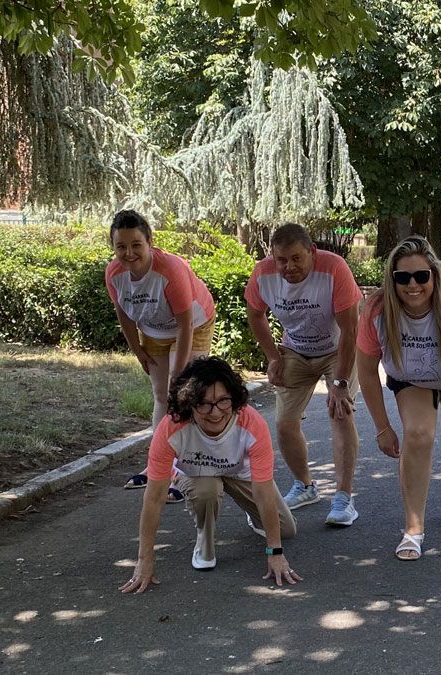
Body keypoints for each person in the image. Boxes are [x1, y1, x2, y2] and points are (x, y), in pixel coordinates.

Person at [356, 236, 441, 561]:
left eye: (421, 276)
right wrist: (382, 427)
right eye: (402, 277)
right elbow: (366, 371)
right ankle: (413, 529)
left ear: (434, 274)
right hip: (412, 380)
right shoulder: (376, 309)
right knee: (417, 436)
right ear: (392, 280)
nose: (412, 285)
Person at [119, 356, 299, 592]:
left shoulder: (252, 423)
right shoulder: (171, 427)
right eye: (204, 404)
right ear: (188, 404)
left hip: (239, 474)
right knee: (208, 489)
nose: (215, 413)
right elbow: (153, 498)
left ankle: (252, 515)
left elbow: (263, 491)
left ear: (234, 399)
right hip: (197, 475)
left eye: (224, 401)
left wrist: (274, 552)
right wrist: (144, 561)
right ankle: (204, 538)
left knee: (287, 530)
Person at [246, 223, 362, 526]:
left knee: (340, 412)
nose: (289, 267)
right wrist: (272, 356)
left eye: (297, 258)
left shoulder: (334, 268)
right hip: (295, 350)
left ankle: (343, 499)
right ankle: (305, 486)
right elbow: (255, 313)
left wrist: (340, 383)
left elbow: (351, 330)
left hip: (338, 348)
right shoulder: (264, 273)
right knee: (284, 423)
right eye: (282, 260)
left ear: (312, 252)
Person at [105, 209, 215, 503]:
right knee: (160, 396)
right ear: (113, 247)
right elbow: (123, 314)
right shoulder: (114, 274)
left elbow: (184, 324)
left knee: (182, 395)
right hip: (153, 328)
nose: (129, 253)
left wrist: (178, 377)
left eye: (136, 245)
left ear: (149, 242)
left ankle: (187, 470)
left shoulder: (169, 269)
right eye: (121, 246)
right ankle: (160, 465)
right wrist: (137, 350)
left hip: (193, 324)